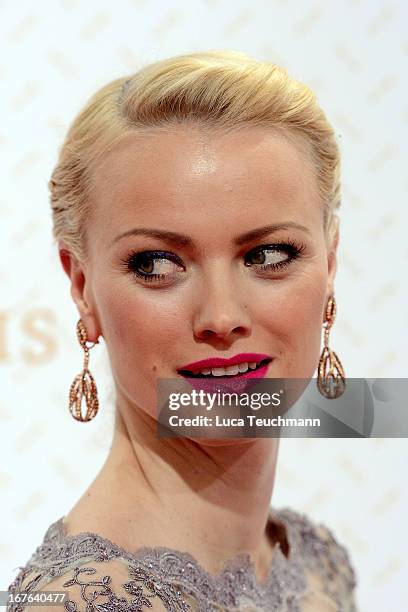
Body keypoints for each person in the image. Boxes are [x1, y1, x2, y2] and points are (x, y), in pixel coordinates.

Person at [7, 50, 358, 611]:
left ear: (331, 262)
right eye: (157, 264)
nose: (221, 318)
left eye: (269, 254)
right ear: (81, 284)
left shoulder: (316, 565)